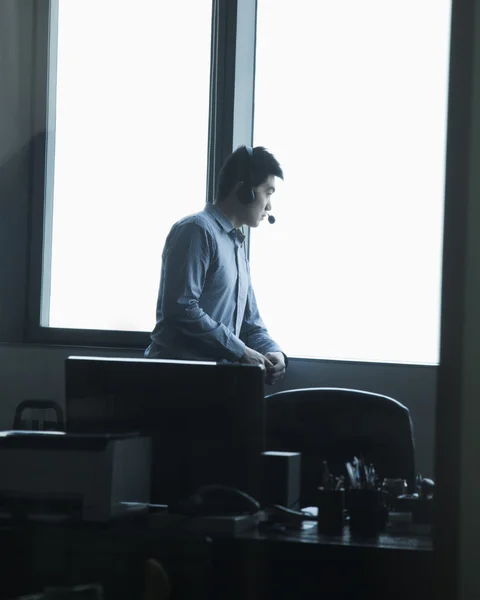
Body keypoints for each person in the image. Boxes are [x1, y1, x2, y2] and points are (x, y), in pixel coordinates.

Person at [145, 145, 287, 385]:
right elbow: (180, 310)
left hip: (215, 382)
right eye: (268, 192)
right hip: (176, 383)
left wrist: (274, 351)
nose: (269, 206)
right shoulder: (196, 230)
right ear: (245, 192)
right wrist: (240, 351)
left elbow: (250, 324)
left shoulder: (237, 248)